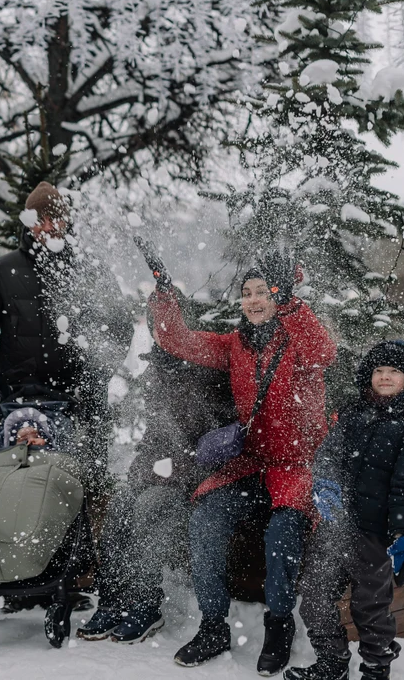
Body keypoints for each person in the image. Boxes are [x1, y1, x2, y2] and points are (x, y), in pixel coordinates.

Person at [148, 253, 337, 675]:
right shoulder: (234, 345)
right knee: (206, 520)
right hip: (250, 464)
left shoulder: (298, 341)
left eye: (263, 293)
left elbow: (325, 352)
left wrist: (289, 302)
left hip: (294, 466)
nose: (253, 301)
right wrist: (164, 294)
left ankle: (278, 625)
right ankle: (214, 626)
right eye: (246, 293)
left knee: (282, 534)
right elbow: (177, 340)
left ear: (277, 298)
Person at [78, 294, 238, 644]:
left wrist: (173, 470)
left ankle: (145, 603)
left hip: (192, 477)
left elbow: (216, 439)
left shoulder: (209, 371)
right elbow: (154, 436)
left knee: (150, 507)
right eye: (154, 325)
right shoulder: (158, 369)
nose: (160, 331)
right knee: (121, 503)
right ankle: (112, 599)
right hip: (156, 469)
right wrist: (139, 473)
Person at [286, 341, 404, 680]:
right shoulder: (353, 412)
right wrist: (324, 484)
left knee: (370, 608)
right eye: (379, 370)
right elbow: (328, 454)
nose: (384, 377)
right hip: (336, 527)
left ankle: (375, 668)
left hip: (375, 533)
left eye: (394, 371)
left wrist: (403, 533)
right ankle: (332, 662)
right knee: (314, 595)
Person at [0, 181, 130, 473]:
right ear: (29, 224)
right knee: (16, 484)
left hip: (79, 402)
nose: (50, 226)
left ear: (67, 221)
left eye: (57, 217)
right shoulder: (4, 270)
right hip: (18, 401)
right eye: (41, 219)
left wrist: (98, 372)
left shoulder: (90, 269)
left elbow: (119, 326)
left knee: (82, 488)